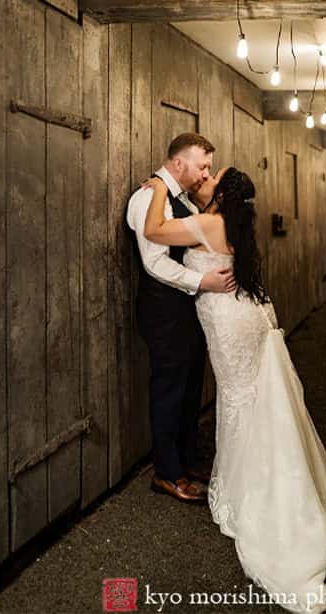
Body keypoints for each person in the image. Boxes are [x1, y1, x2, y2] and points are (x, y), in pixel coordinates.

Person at [143, 165, 326, 613]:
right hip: (248, 317)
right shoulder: (233, 222)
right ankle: (253, 478)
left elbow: (154, 230)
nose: (206, 179)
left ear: (222, 193)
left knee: (239, 398)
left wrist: (160, 184)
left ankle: (252, 490)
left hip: (228, 321)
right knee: (248, 397)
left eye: (212, 176)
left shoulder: (210, 222)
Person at [125, 133, 236, 504]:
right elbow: (154, 262)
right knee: (169, 391)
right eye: (202, 165)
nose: (205, 173)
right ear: (178, 164)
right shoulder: (148, 198)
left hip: (189, 311)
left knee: (190, 391)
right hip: (164, 312)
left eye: (208, 167)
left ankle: (188, 461)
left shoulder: (184, 199)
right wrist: (202, 280)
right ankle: (167, 473)